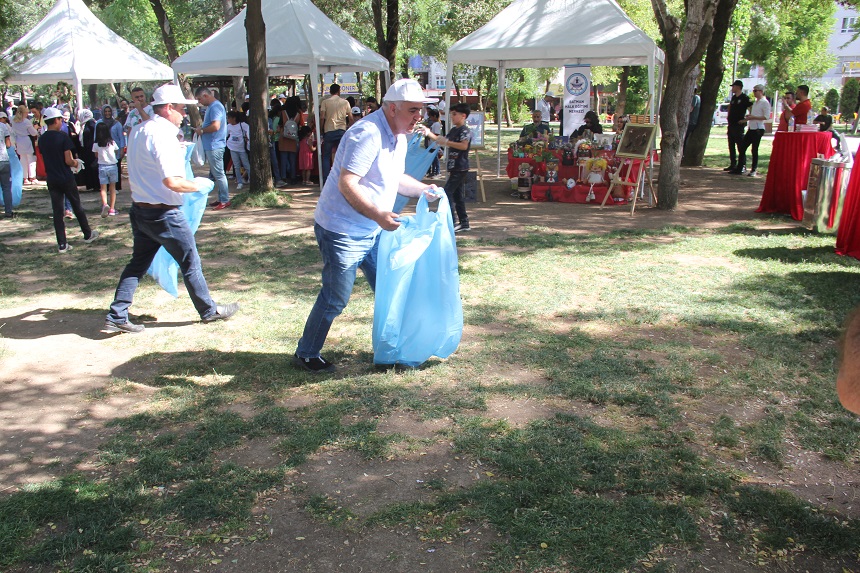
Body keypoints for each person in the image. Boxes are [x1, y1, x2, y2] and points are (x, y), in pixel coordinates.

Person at [293, 78, 441, 373]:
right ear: (391, 108)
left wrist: (425, 190)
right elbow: (347, 183)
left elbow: (395, 179)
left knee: (390, 288)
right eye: (412, 110)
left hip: (373, 228)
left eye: (421, 111)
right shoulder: (367, 133)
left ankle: (395, 348)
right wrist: (378, 214)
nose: (418, 117)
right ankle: (306, 352)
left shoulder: (399, 135)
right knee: (336, 297)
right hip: (342, 230)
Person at [104, 84, 239, 334]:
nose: (184, 114)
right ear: (168, 108)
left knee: (138, 263)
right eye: (180, 109)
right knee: (190, 261)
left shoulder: (139, 130)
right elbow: (172, 181)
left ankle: (117, 314)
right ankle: (208, 310)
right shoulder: (161, 134)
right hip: (163, 212)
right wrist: (198, 185)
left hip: (141, 210)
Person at [38, 107, 99, 253]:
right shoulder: (63, 137)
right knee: (77, 206)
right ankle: (87, 234)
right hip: (65, 177)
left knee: (57, 212)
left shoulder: (42, 139)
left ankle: (62, 244)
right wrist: (76, 163)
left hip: (52, 178)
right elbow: (68, 160)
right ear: (57, 120)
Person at [420, 102, 472, 232]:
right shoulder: (454, 130)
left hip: (460, 167)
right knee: (457, 195)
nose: (452, 117)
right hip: (454, 167)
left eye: (454, 114)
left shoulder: (464, 131)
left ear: (463, 116)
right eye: (451, 114)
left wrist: (447, 142)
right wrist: (428, 133)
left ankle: (452, 222)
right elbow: (441, 140)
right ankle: (464, 222)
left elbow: (464, 146)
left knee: (447, 192)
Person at [194, 87, 230, 209]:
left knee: (219, 174)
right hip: (212, 144)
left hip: (215, 145)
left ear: (205, 95)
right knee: (217, 174)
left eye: (199, 99)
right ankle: (221, 198)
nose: (199, 102)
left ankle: (224, 200)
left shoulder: (215, 107)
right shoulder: (212, 107)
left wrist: (202, 130)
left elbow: (215, 126)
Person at [735, 84, 772, 178]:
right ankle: (741, 166)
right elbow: (753, 115)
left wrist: (753, 117)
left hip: (758, 129)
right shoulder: (756, 102)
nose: (754, 92)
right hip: (751, 128)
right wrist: (746, 119)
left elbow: (766, 117)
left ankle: (754, 169)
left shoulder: (765, 103)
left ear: (760, 91)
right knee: (742, 147)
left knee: (754, 149)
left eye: (755, 91)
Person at [319, 83, 353, 185]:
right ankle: (340, 179)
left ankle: (326, 180)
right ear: (339, 91)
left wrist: (321, 130)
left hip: (328, 130)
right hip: (341, 131)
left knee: (326, 156)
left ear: (330, 92)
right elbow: (351, 118)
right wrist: (349, 128)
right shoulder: (345, 102)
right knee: (341, 156)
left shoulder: (325, 102)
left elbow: (322, 117)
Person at [93, 122, 120, 216]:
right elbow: (116, 151)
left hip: (102, 166)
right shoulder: (112, 142)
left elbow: (96, 155)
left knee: (103, 188)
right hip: (112, 166)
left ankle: (105, 204)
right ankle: (112, 209)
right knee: (112, 188)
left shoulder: (96, 144)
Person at [724, 80, 751, 173]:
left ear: (738, 87)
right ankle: (733, 164)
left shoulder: (744, 98)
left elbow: (751, 109)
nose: (732, 88)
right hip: (731, 124)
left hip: (739, 125)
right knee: (731, 145)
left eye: (734, 86)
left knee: (740, 145)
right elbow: (730, 107)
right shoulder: (734, 98)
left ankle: (742, 165)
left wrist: (746, 119)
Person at [98, 105, 126, 191]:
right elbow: (96, 136)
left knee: (115, 168)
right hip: (103, 149)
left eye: (109, 111)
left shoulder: (117, 124)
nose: (107, 113)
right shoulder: (99, 123)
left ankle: (115, 187)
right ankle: (105, 188)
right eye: (105, 111)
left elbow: (121, 137)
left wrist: (122, 149)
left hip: (115, 149)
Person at [11, 104, 38, 185]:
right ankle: (32, 177)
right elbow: (33, 133)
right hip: (27, 140)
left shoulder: (13, 120)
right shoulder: (26, 121)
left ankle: (24, 178)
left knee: (22, 159)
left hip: (18, 140)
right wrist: (35, 128)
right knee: (31, 159)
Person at [225, 110, 251, 190]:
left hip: (241, 148)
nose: (228, 120)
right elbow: (225, 135)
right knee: (236, 166)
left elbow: (248, 130)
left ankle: (251, 179)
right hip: (232, 147)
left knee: (246, 165)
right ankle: (239, 182)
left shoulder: (242, 125)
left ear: (234, 118)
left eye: (229, 118)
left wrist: (248, 138)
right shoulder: (228, 126)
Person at [77, 109, 99, 191]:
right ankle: (91, 185)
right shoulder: (85, 124)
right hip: (87, 150)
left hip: (91, 150)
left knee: (92, 167)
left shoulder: (91, 123)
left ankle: (95, 185)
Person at [0, 111, 13, 218]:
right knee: (6, 187)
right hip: (3, 159)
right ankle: (8, 211)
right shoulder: (3, 126)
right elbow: (8, 144)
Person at [424, 108, 442, 178]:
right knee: (432, 159)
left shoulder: (437, 124)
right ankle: (433, 172)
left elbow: (436, 135)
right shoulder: (434, 124)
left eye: (431, 116)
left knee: (435, 159)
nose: (430, 118)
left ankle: (437, 172)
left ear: (434, 116)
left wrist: (430, 135)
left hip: (434, 145)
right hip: (431, 144)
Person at [685, 87, 701, 152]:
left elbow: (690, 109)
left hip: (691, 121)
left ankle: (684, 153)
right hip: (693, 121)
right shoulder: (698, 97)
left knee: (685, 138)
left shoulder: (694, 97)